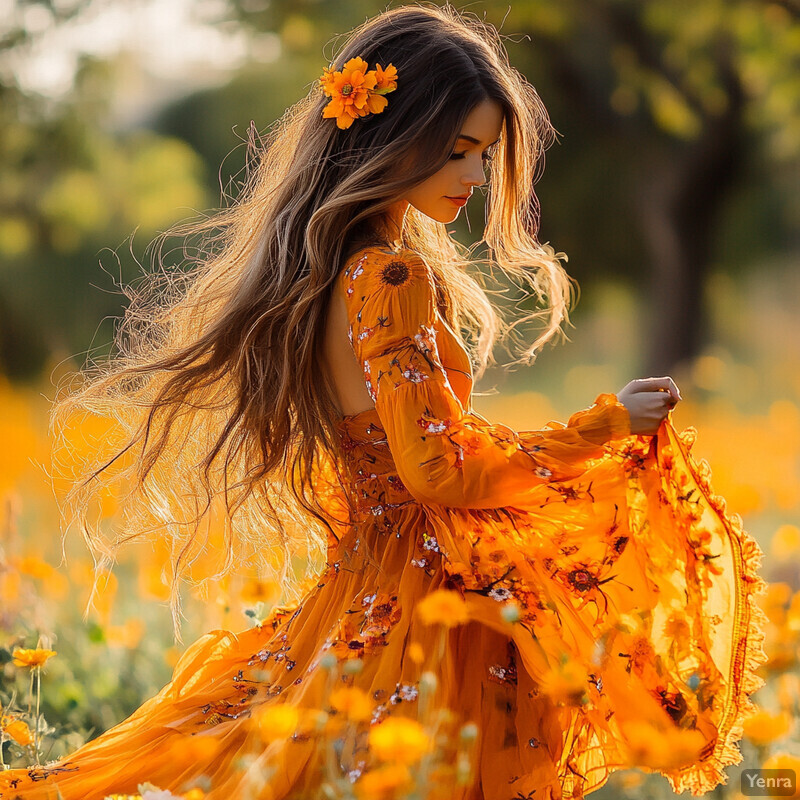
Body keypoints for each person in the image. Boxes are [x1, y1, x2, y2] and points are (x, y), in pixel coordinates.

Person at [1, 5, 767, 800]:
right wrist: (603, 429)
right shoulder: (387, 279)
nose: (475, 177)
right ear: (386, 140)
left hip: (374, 590)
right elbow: (435, 470)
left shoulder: (343, 272)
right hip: (419, 608)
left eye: (486, 153)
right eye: (456, 151)